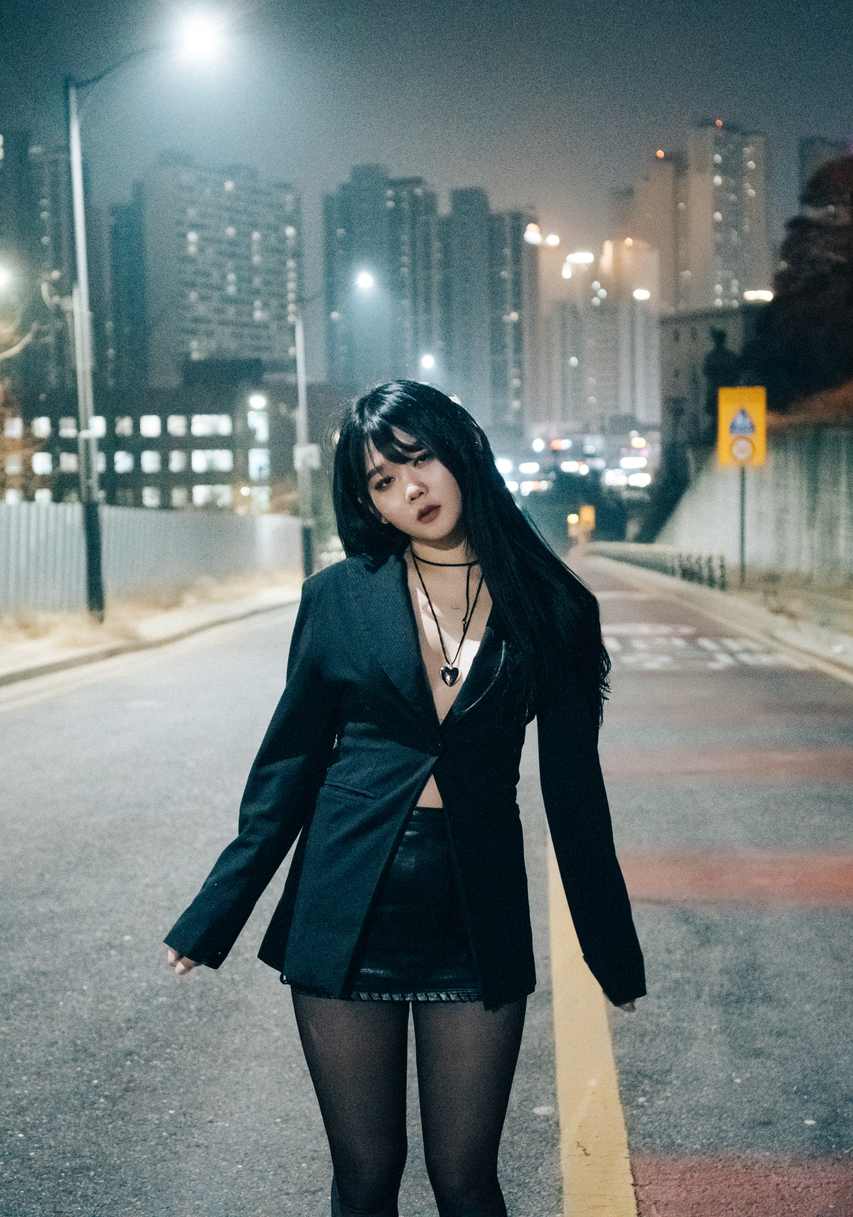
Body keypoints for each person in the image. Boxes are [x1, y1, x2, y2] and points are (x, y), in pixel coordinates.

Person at [164, 379, 644, 1217]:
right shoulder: (338, 597)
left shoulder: (556, 608)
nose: (410, 489)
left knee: (467, 1181)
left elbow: (575, 797)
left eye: (419, 460)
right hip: (347, 901)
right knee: (365, 1177)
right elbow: (287, 770)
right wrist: (214, 913)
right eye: (383, 481)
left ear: (461, 452)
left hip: (475, 909)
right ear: (369, 503)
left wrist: (611, 948)